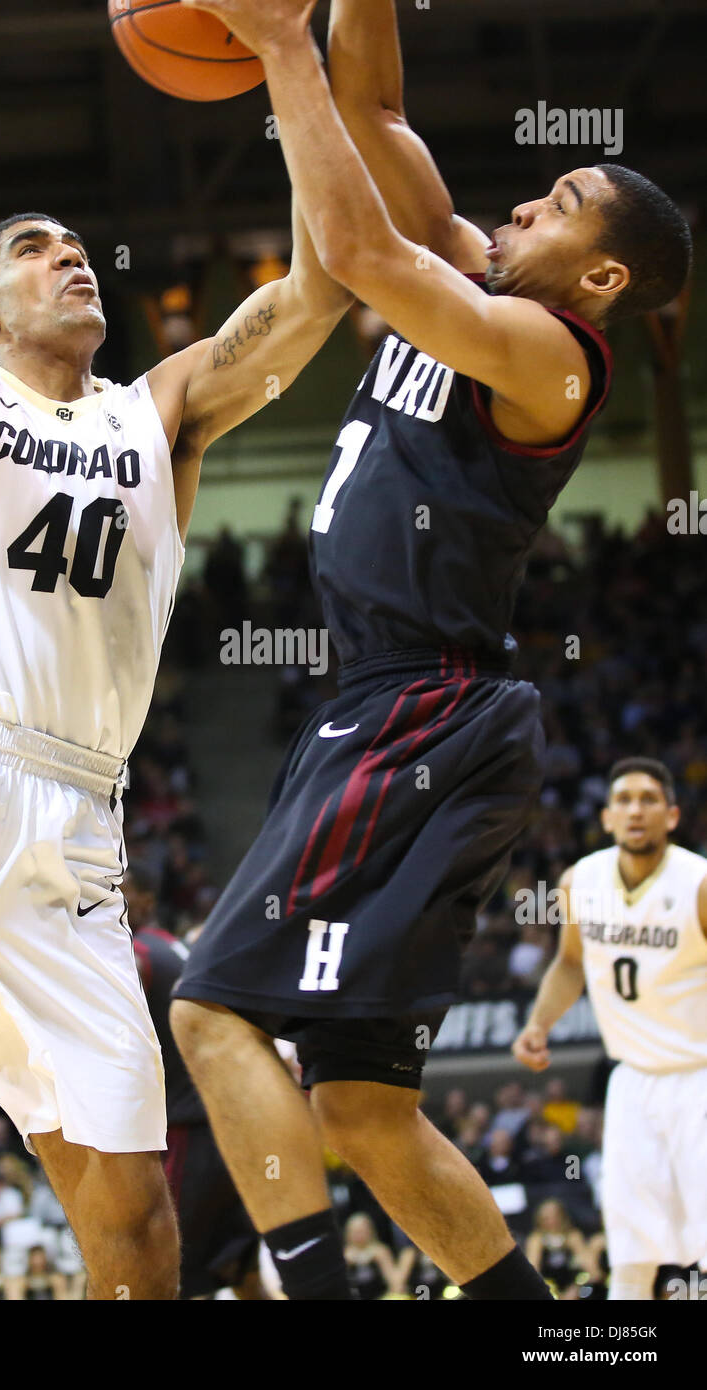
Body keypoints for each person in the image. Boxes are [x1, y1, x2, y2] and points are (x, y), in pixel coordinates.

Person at [171, 0, 692, 1301]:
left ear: (602, 275)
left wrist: (276, 43)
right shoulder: (477, 278)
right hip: (405, 711)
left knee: (207, 1007)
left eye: (558, 199)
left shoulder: (545, 352)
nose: (520, 203)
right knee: (359, 1107)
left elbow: (349, 243)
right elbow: (381, 119)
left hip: (419, 711)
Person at [0, 0, 351, 1300]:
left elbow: (312, 295)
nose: (70, 256)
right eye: (33, 247)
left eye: (77, 244)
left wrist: (292, 58)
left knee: (131, 1216)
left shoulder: (159, 408)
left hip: (73, 834)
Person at [514, 758, 707, 1300]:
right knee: (630, 1246)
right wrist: (538, 1023)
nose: (635, 810)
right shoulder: (581, 880)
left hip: (700, 1077)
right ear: (605, 817)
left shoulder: (698, 884)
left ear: (672, 816)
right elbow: (571, 962)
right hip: (630, 1083)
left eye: (649, 799)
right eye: (623, 799)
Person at [123, 862, 265, 1300]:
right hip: (234, 1129)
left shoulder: (138, 954)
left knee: (162, 1269)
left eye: (118, 888)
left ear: (144, 898)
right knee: (240, 1267)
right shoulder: (182, 949)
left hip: (189, 1132)